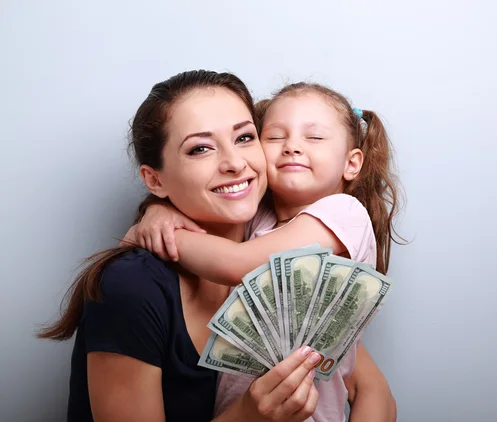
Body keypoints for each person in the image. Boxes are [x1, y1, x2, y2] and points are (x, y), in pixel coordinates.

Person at [38, 70, 323, 422]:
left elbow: (374, 389)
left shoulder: (273, 248)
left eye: (245, 137)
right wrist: (249, 415)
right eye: (200, 148)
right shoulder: (131, 288)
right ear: (154, 180)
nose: (235, 163)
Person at [126, 81, 402, 421]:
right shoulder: (258, 219)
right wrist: (158, 211)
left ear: (352, 164)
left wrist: (159, 236)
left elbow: (235, 264)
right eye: (274, 137)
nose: (292, 148)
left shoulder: (343, 213)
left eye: (314, 138)